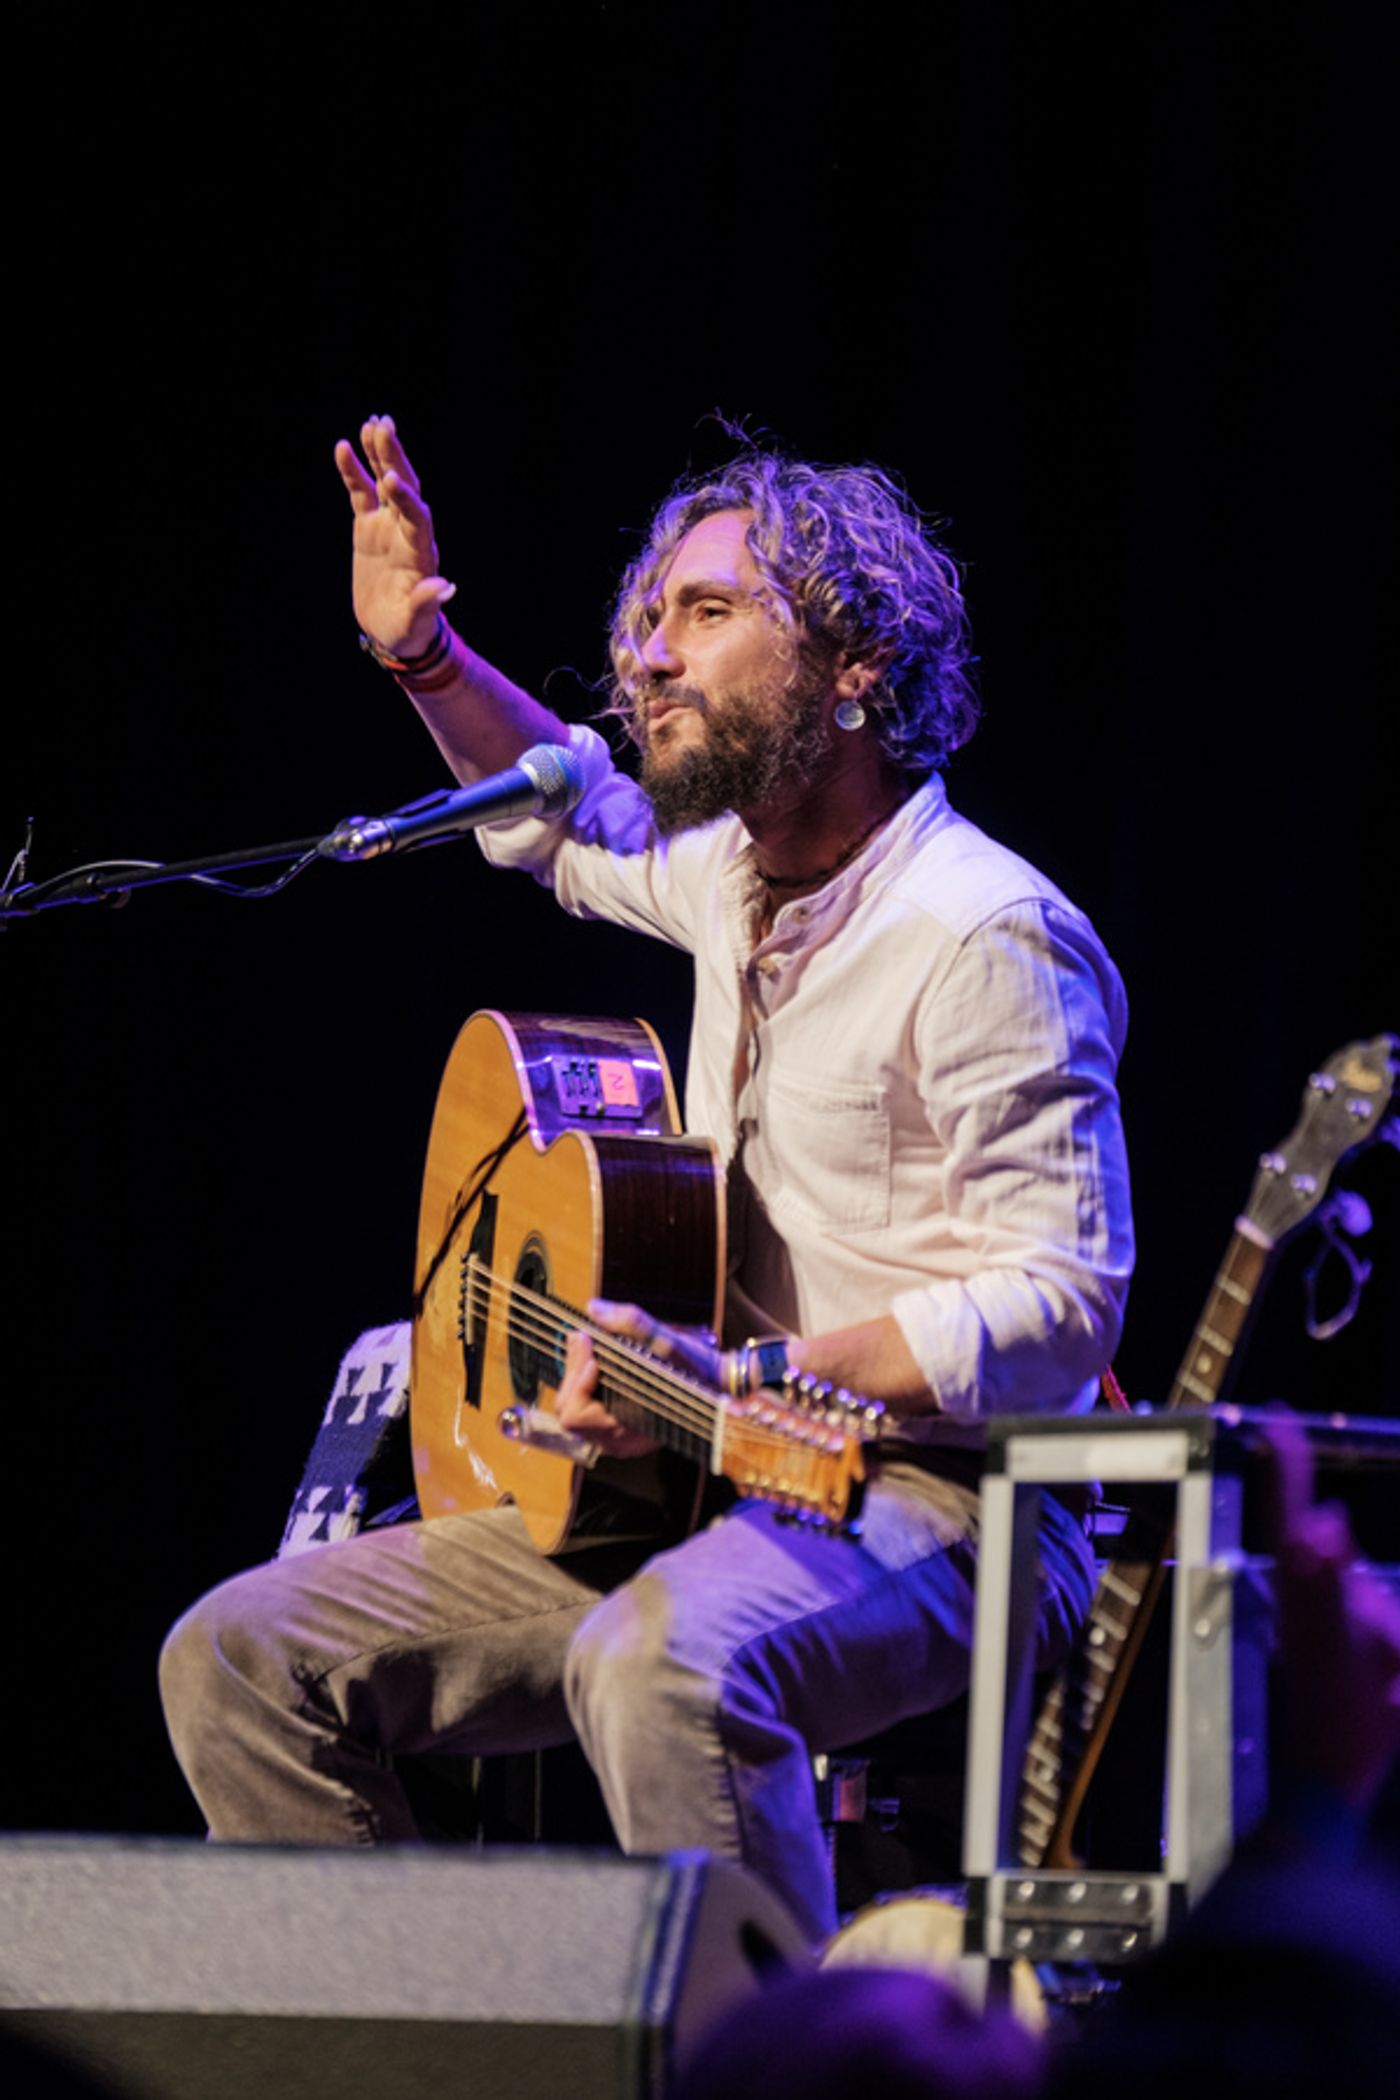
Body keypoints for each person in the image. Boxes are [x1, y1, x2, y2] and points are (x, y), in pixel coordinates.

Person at [159, 417, 1134, 1944]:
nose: (650, 659)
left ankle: (776, 2058)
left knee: (661, 1664)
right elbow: (559, 817)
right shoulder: (728, 872)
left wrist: (755, 1372)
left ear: (857, 662)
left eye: (708, 611)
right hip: (701, 1474)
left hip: (956, 1502)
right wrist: (425, 661)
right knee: (237, 1658)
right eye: (646, 621)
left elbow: (1064, 1302)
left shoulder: (983, 929)